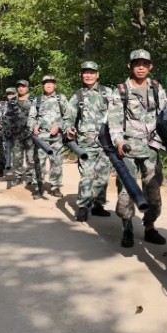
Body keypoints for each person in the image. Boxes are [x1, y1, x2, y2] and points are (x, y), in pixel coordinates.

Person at [108, 49, 167, 248]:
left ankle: (150, 227)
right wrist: (118, 141)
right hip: (128, 148)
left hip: (152, 148)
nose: (140, 67)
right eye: (136, 63)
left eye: (144, 63)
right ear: (130, 66)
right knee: (126, 191)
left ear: (150, 66)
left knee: (153, 192)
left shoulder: (157, 89)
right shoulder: (121, 90)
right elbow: (115, 120)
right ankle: (127, 227)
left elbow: (166, 116)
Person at [64, 61, 114, 222]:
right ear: (81, 75)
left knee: (103, 175)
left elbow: (118, 115)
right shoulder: (77, 96)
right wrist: (69, 128)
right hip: (85, 143)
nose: (88, 75)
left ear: (97, 74)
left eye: (92, 72)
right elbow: (69, 117)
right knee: (87, 175)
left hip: (106, 142)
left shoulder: (108, 93)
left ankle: (98, 205)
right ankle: (83, 207)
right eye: (85, 72)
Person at [28, 75, 68, 199]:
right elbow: (31, 117)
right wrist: (33, 126)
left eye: (51, 83)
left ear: (55, 85)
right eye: (46, 83)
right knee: (39, 163)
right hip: (41, 138)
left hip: (57, 138)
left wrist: (59, 125)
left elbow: (68, 116)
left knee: (56, 163)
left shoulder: (61, 98)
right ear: (43, 85)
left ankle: (55, 187)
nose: (49, 85)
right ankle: (37, 187)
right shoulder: (38, 99)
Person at [11, 79, 36, 188]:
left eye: (23, 86)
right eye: (19, 86)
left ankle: (30, 177)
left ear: (28, 87)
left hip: (29, 133)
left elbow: (38, 115)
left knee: (30, 157)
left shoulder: (33, 100)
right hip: (16, 134)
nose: (21, 88)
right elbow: (8, 116)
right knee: (17, 157)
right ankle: (18, 176)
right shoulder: (12, 101)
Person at [2, 87, 18, 173]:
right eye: (8, 94)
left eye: (12, 94)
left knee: (17, 150)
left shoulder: (20, 104)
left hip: (17, 132)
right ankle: (8, 166)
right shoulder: (3, 105)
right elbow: (0, 116)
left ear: (16, 94)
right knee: (6, 149)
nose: (10, 96)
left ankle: (17, 169)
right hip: (6, 131)